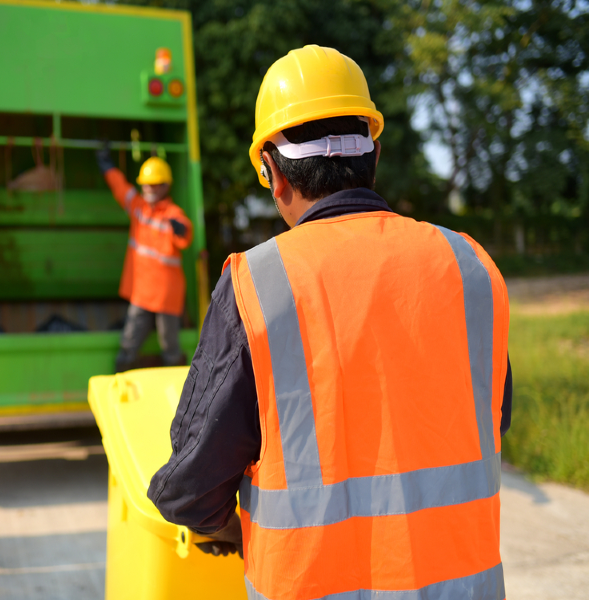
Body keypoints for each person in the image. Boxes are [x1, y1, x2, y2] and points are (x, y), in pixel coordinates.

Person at [147, 45, 513, 600]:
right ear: (374, 154)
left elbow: (191, 489)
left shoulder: (259, 283)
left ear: (272, 172)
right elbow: (490, 420)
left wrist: (227, 526)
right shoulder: (469, 266)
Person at [96, 150, 193, 372]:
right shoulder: (138, 208)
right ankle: (122, 382)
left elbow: (186, 234)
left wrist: (182, 229)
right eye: (147, 184)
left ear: (165, 186)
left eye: (155, 184)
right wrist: (107, 166)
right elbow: (121, 189)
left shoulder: (172, 214)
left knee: (170, 346)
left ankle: (177, 387)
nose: (149, 188)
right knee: (129, 343)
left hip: (166, 296)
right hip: (143, 293)